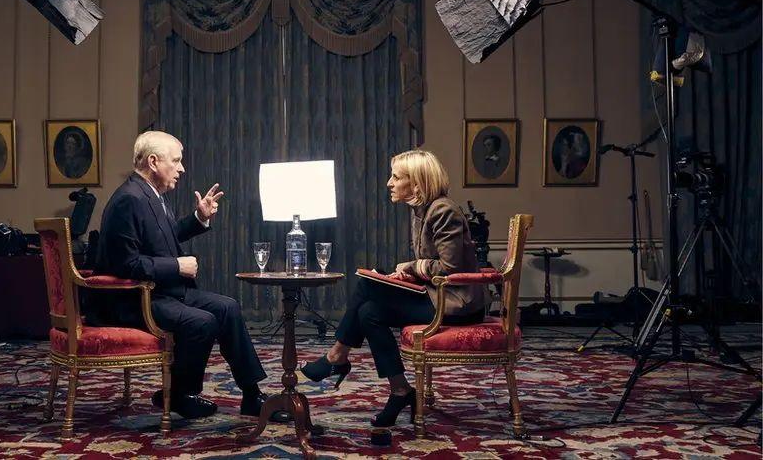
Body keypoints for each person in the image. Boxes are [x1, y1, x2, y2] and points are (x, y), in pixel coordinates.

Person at [83, 131, 288, 422]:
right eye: (176, 161)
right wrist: (176, 267)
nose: (182, 169)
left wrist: (198, 218)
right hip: (130, 300)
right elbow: (125, 264)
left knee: (227, 307)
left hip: (159, 291)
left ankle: (251, 395)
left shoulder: (150, 193)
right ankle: (181, 394)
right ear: (153, 162)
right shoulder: (129, 199)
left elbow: (162, 239)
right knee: (201, 322)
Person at [300, 149, 483, 427]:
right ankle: (400, 390)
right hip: (438, 295)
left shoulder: (443, 209)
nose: (389, 183)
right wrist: (410, 275)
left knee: (367, 286)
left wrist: (412, 267)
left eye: (396, 177)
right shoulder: (422, 210)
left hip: (458, 302)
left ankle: (337, 355)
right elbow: (435, 266)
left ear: (418, 182)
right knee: (369, 312)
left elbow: (450, 268)